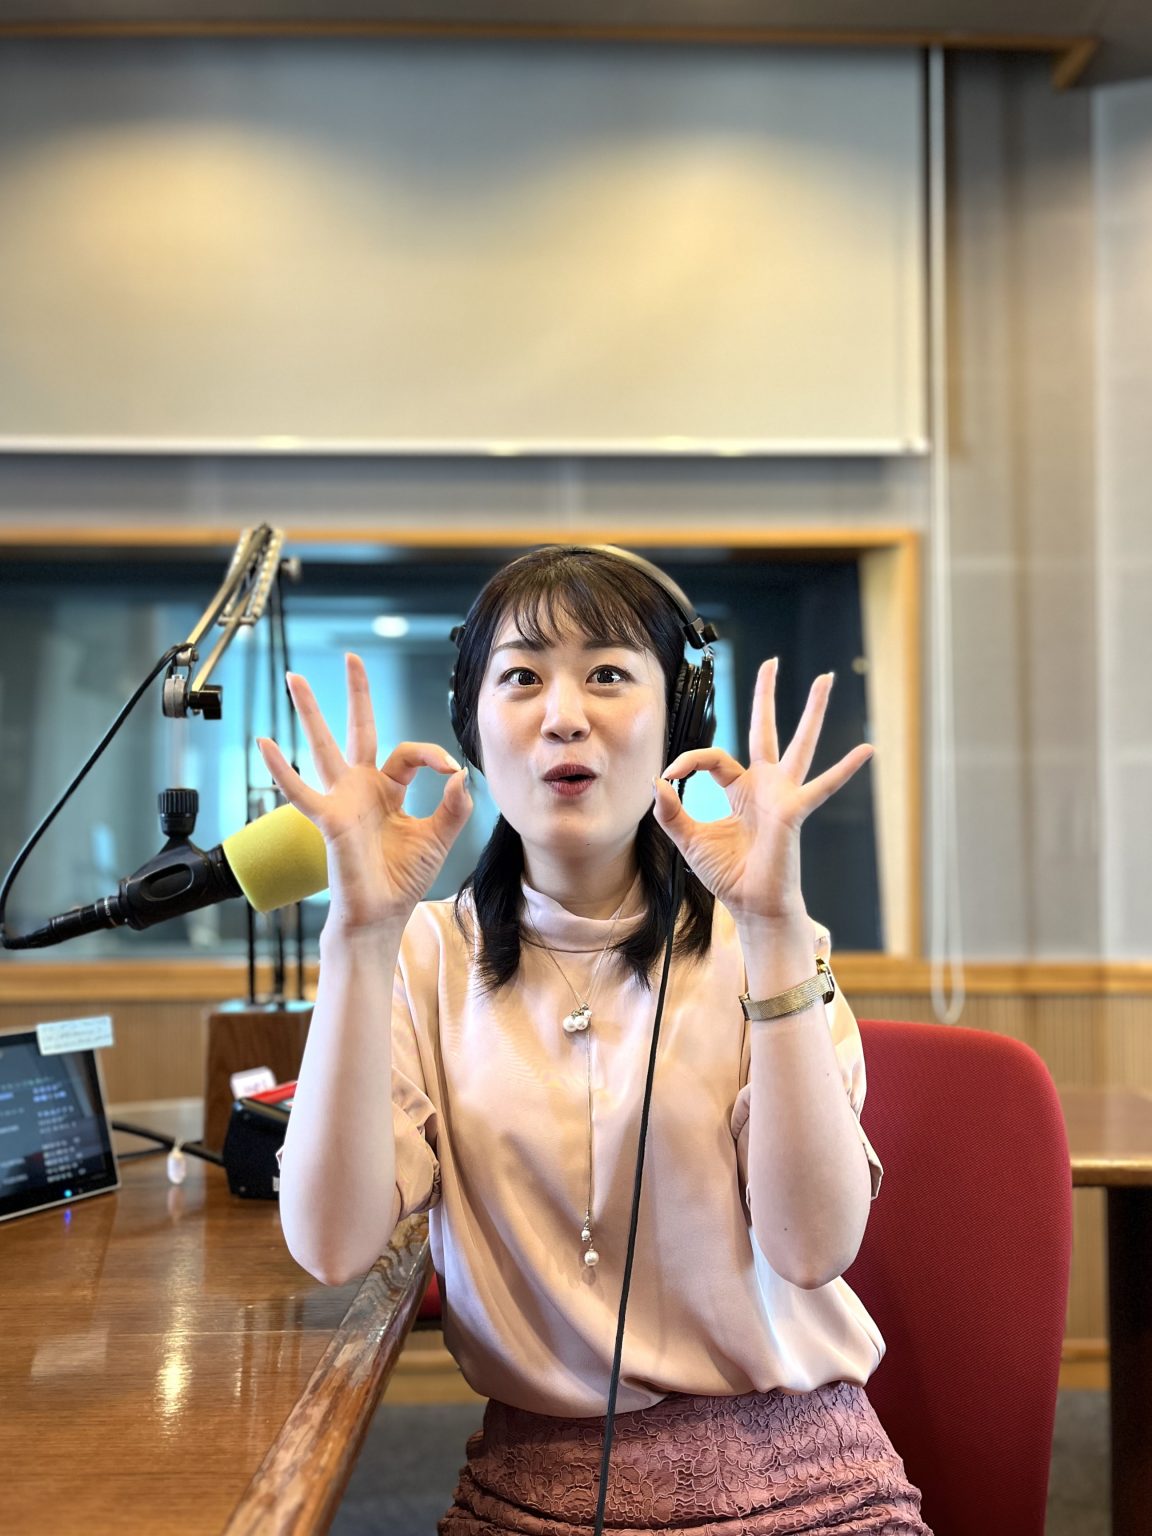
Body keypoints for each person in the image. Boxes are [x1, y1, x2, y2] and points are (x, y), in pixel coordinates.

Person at [258, 544, 932, 1535]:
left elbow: (813, 1246)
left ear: (678, 720)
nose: (564, 715)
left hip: (806, 1486)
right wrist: (356, 940)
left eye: (608, 674)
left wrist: (776, 933)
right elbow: (330, 1245)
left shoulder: (773, 941)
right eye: (522, 677)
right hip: (536, 1498)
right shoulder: (419, 956)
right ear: (472, 724)